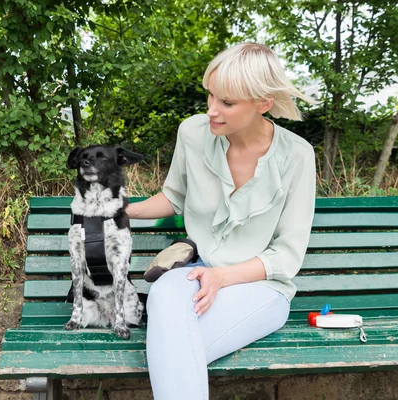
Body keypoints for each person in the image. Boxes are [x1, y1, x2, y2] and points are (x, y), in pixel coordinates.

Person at [126, 42, 316, 399]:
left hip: (261, 288)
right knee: (164, 292)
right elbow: (174, 197)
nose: (212, 110)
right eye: (210, 96)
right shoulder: (193, 134)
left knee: (173, 349)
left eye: (227, 102)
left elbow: (287, 257)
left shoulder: (298, 156)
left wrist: (223, 276)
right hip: (198, 273)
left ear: (263, 103)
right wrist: (121, 210)